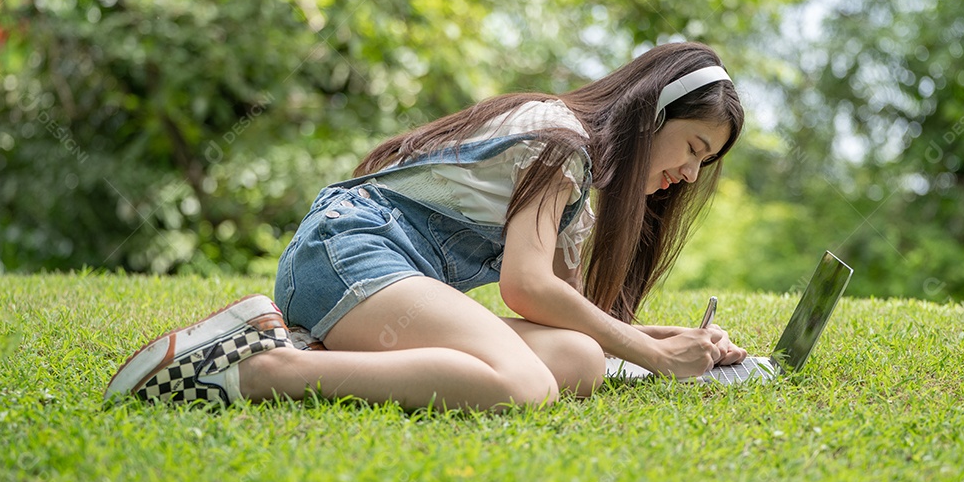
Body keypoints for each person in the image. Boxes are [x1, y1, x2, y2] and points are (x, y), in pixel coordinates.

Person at [105, 42, 748, 411]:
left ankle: (312, 349)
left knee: (577, 359)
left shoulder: (580, 186)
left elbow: (568, 314)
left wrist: (670, 340)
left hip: (384, 281)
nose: (690, 175)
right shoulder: (561, 141)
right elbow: (527, 288)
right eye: (693, 148)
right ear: (651, 113)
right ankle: (263, 372)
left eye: (704, 163)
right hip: (349, 253)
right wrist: (656, 357)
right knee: (524, 386)